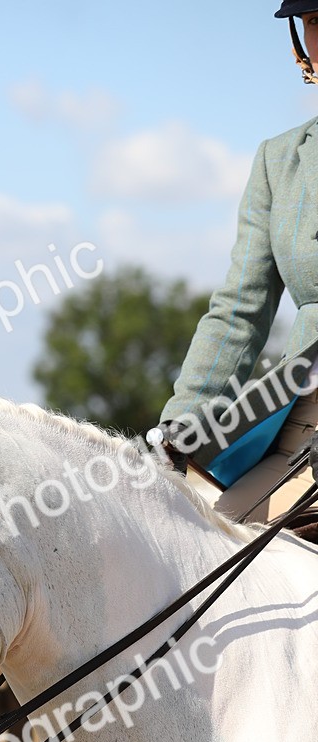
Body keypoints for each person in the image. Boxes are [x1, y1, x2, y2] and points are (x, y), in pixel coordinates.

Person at [153, 3, 318, 522]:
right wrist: (184, 420)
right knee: (217, 546)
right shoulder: (278, 160)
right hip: (304, 426)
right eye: (316, 23)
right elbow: (239, 310)